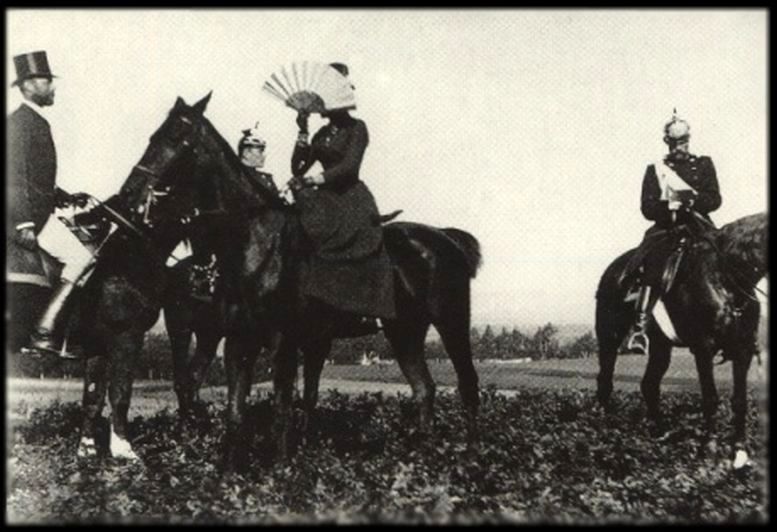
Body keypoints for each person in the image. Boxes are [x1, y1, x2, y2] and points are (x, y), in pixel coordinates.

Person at [287, 62, 395, 335]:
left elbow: (349, 168)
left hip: (350, 197)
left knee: (356, 241)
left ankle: (367, 309)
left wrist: (313, 180)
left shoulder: (357, 128)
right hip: (325, 197)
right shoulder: (323, 133)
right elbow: (298, 168)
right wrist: (302, 130)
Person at [8, 51, 94, 358]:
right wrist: (24, 223)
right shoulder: (20, 122)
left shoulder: (33, 121)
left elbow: (35, 178)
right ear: (29, 85)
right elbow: (14, 175)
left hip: (39, 212)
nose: (52, 87)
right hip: (31, 219)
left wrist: (64, 197)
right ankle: (43, 332)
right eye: (46, 81)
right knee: (83, 258)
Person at [626, 110, 722, 354]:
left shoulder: (703, 164)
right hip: (667, 228)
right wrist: (669, 206)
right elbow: (647, 207)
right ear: (667, 143)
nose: (680, 146)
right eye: (676, 142)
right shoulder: (655, 169)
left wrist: (692, 201)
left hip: (700, 225)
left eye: (684, 141)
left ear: (689, 139)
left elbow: (715, 198)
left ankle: (736, 326)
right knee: (653, 262)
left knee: (727, 259)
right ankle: (640, 328)